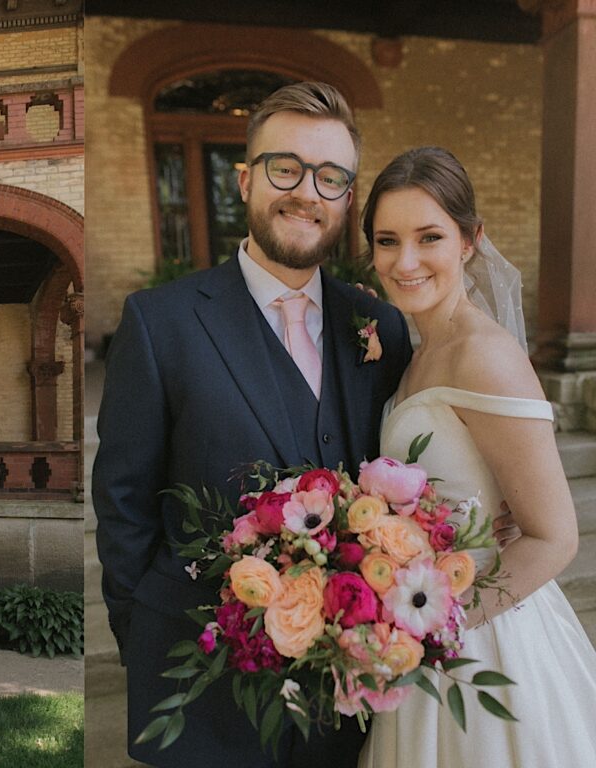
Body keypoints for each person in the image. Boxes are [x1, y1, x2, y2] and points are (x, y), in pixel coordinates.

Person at [93, 81, 413, 767]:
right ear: (244, 179)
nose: (308, 192)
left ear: (348, 197)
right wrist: (143, 633)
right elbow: (122, 501)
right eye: (285, 167)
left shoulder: (380, 326)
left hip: (346, 693)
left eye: (331, 177)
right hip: (206, 694)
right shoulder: (161, 322)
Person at [357, 146, 596, 766]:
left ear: (470, 241)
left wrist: (431, 631)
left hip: (480, 637)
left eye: (429, 237)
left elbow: (553, 537)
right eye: (387, 240)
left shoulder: (483, 356)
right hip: (422, 615)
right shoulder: (417, 353)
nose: (404, 261)